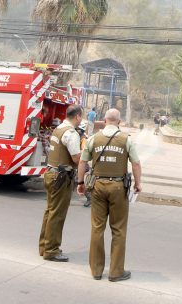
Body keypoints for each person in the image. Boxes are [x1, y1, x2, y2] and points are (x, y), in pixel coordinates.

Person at [77, 108, 142, 282]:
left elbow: (82, 161)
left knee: (97, 228)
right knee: (118, 229)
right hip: (118, 188)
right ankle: (116, 272)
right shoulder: (126, 140)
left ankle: (96, 270)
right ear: (119, 122)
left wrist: (80, 183)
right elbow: (136, 163)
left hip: (97, 186)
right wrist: (138, 184)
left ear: (104, 121)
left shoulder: (93, 138)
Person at [38, 104, 83, 262]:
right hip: (61, 177)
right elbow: (76, 158)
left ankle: (44, 246)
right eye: (81, 116)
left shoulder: (58, 129)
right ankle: (52, 250)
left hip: (51, 173)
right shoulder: (71, 133)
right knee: (57, 214)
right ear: (77, 116)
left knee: (50, 212)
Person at [77, 121, 92, 207]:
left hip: (82, 163)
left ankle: (89, 197)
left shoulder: (84, 140)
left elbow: (83, 153)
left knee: (82, 181)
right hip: (80, 162)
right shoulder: (81, 138)